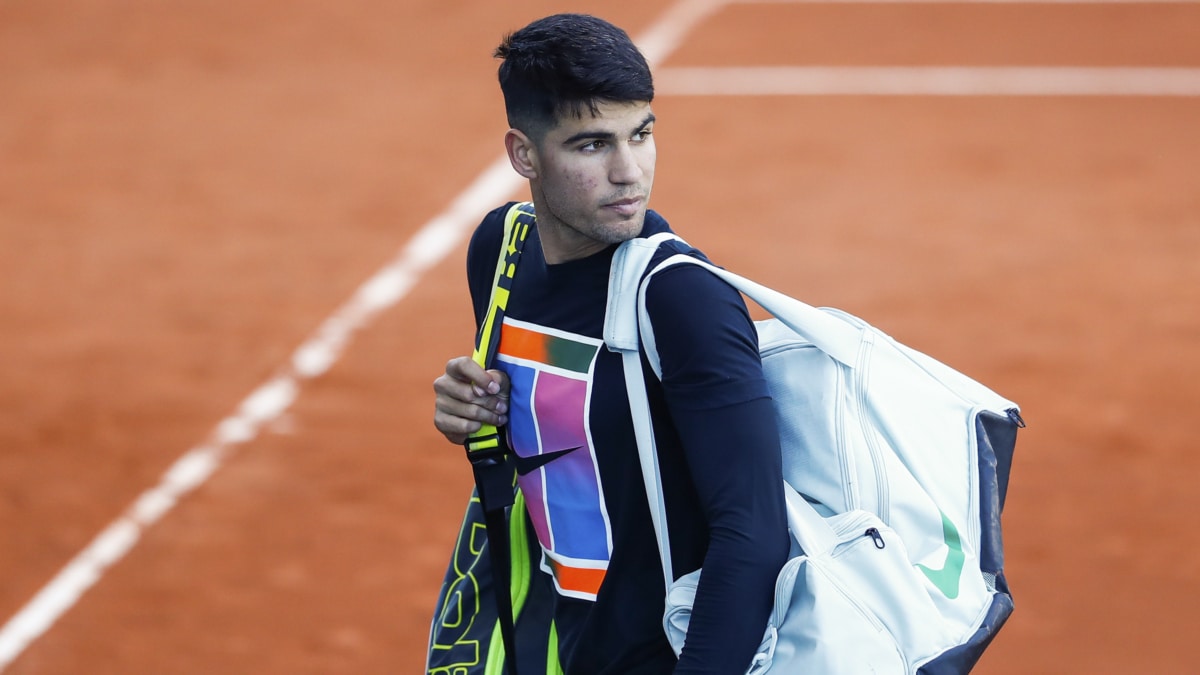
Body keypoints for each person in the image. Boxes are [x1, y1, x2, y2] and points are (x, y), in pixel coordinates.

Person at [432, 13, 789, 674]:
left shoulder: (681, 299)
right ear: (524, 154)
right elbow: (554, 440)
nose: (630, 171)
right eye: (593, 145)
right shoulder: (501, 251)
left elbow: (754, 533)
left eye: (642, 134)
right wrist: (474, 410)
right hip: (543, 640)